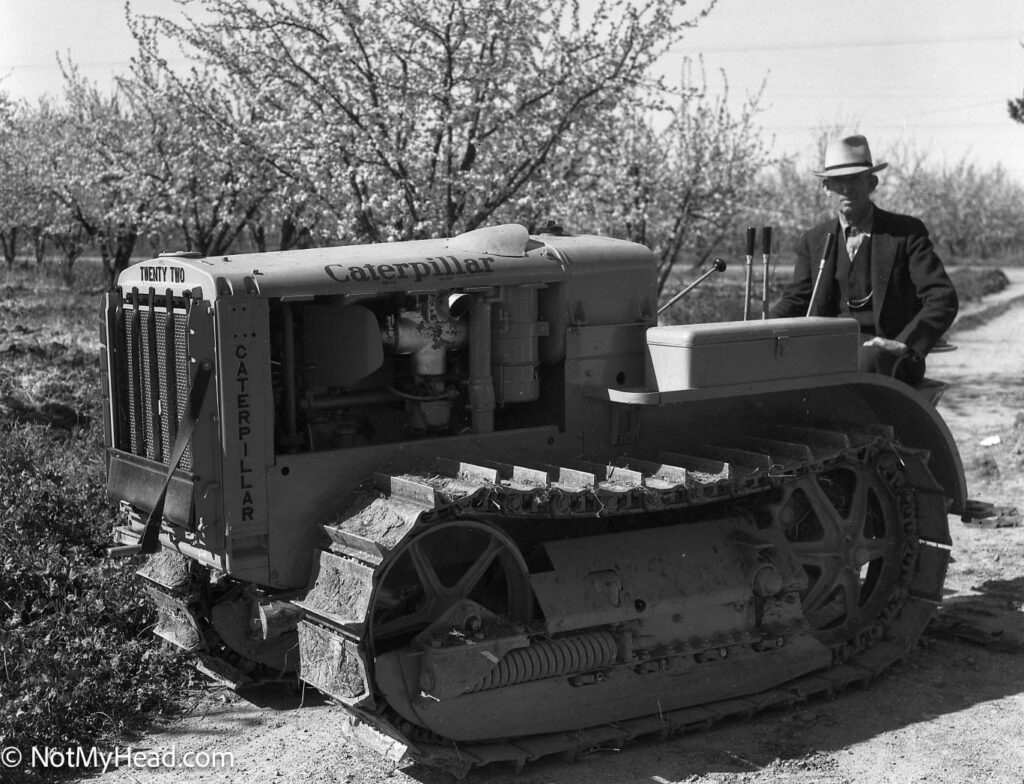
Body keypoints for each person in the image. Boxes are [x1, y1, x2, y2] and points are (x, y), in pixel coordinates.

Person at [769, 134, 958, 385]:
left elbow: (942, 297)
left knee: (865, 362)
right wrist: (754, 329)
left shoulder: (905, 234)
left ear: (872, 183)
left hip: (887, 355)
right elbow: (796, 300)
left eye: (854, 178)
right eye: (838, 181)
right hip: (827, 352)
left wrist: (904, 344)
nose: (846, 188)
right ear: (826, 188)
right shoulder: (813, 240)